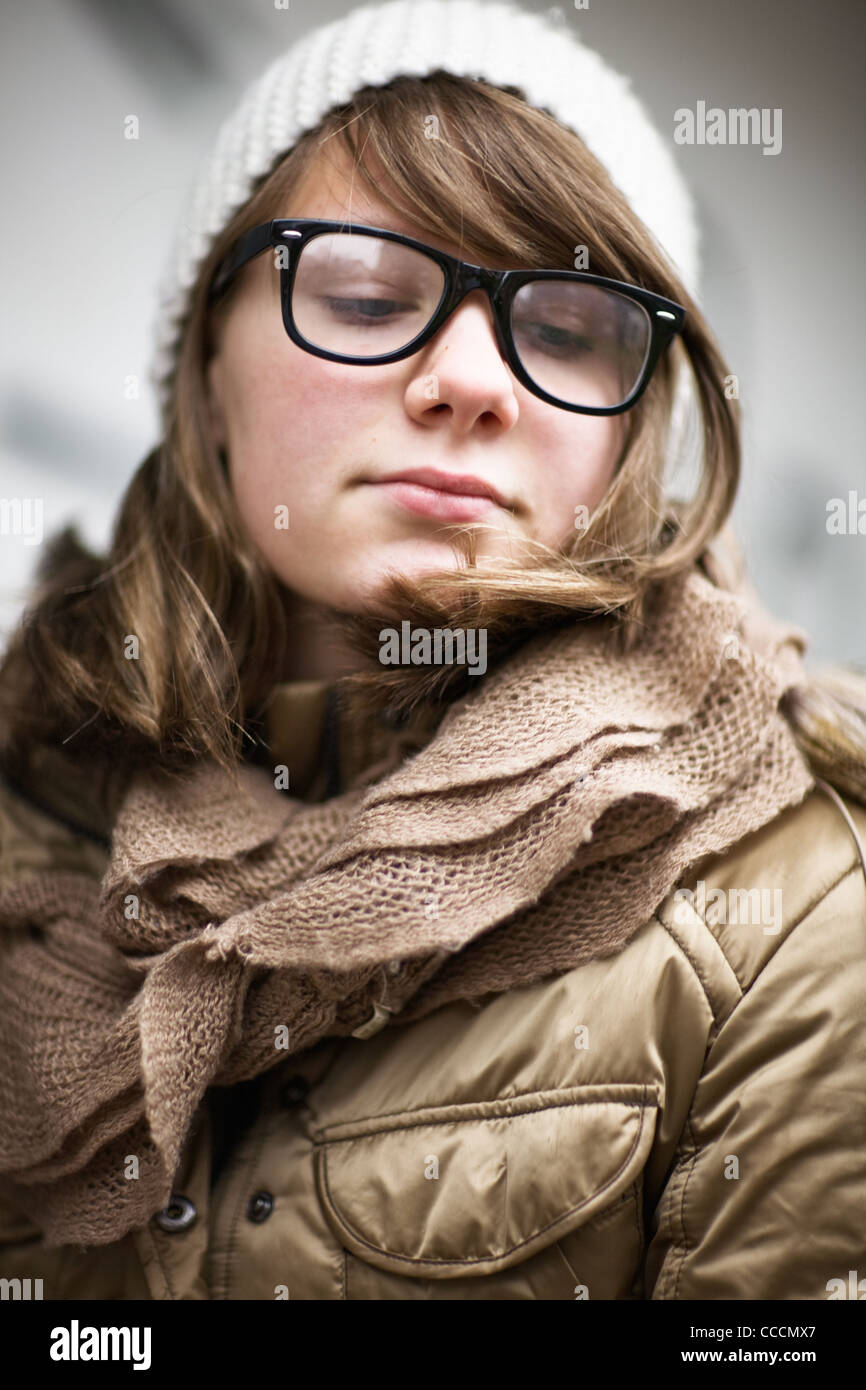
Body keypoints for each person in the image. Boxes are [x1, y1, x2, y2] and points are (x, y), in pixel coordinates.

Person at [0, 0, 864, 1303]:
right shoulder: (24, 796)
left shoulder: (798, 904)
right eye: (359, 295)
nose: (470, 378)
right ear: (205, 369)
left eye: (568, 327)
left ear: (634, 437)